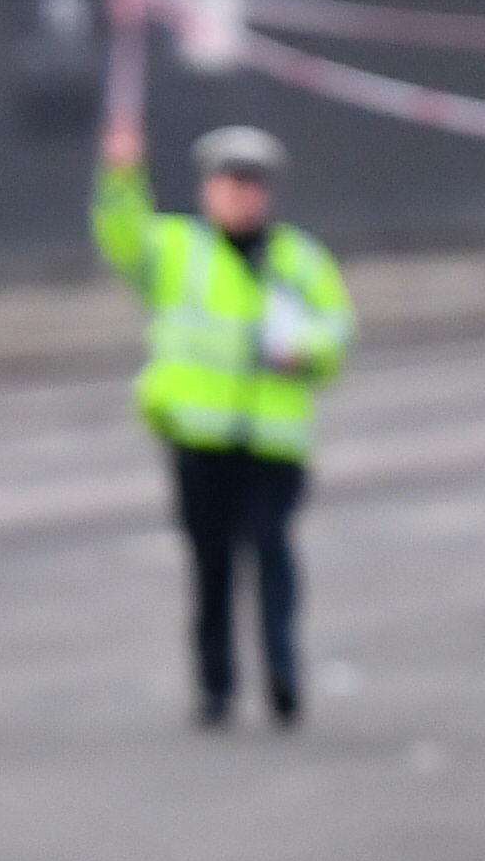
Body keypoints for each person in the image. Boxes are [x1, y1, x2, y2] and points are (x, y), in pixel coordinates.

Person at [93, 118, 351, 728]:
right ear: (207, 188)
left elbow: (338, 331)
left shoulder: (298, 258)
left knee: (272, 555)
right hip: (200, 439)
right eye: (230, 181)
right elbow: (120, 237)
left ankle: (282, 673)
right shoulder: (177, 250)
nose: (241, 194)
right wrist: (122, 173)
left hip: (274, 441)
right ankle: (216, 687)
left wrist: (305, 351)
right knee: (210, 567)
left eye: (252, 183)